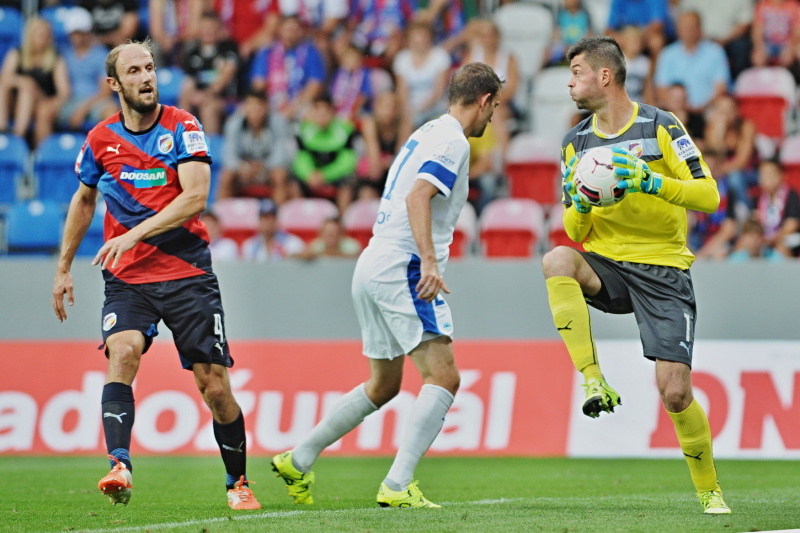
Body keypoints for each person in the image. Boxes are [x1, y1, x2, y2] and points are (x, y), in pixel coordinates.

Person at [270, 61, 503, 508]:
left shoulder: (427, 130)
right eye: (493, 108)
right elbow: (419, 195)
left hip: (373, 261)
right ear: (485, 100)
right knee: (445, 376)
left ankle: (297, 459)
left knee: (384, 385)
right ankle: (397, 485)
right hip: (404, 264)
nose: (492, 118)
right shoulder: (453, 140)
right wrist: (430, 262)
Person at [51, 40, 261, 511]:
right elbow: (84, 201)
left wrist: (132, 234)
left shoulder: (184, 126)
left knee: (215, 386)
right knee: (122, 351)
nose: (147, 77)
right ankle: (119, 465)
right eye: (134, 70)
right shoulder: (100, 140)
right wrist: (63, 268)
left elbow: (195, 197)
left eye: (150, 67)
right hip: (128, 278)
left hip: (187, 274)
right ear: (114, 84)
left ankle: (237, 483)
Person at [543, 36, 731, 514]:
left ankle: (710, 491)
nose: (569, 81)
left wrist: (651, 182)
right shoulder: (575, 143)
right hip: (608, 264)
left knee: (675, 392)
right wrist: (580, 203)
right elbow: (574, 231)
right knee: (557, 259)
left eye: (578, 71)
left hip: (664, 268)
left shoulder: (661, 124)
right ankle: (592, 380)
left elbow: (709, 196)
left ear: (605, 76)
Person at [0, 16, 69, 145]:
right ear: (30, 36)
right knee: (7, 85)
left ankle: (17, 135)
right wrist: (22, 81)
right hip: (14, 103)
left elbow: (64, 92)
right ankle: (2, 127)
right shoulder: (17, 53)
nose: (44, 39)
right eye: (40, 35)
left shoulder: (56, 58)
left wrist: (49, 104)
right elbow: (5, 77)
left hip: (41, 102)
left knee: (28, 90)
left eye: (47, 35)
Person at [217, 89, 294, 202]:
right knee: (226, 176)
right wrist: (243, 167)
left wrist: (262, 168)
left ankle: (276, 215)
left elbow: (282, 155)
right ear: (244, 108)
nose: (255, 111)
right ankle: (221, 215)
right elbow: (229, 156)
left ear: (266, 107)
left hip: (268, 170)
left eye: (259, 107)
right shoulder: (234, 124)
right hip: (244, 171)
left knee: (280, 175)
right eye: (250, 106)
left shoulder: (279, 122)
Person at [291, 94, 358, 213]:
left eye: (325, 112)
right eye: (318, 112)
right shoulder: (303, 130)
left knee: (348, 181)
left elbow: (347, 162)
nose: (321, 116)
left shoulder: (345, 129)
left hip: (335, 175)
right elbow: (301, 159)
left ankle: (343, 222)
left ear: (333, 113)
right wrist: (309, 175)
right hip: (312, 176)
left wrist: (324, 175)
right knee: (293, 183)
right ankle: (299, 217)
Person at [654, 11, 730, 114]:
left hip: (708, 109)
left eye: (691, 27)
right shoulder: (667, 54)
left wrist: (703, 107)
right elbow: (661, 90)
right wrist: (679, 107)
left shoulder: (715, 52)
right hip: (677, 110)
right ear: (678, 30)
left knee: (725, 106)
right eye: (684, 27)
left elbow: (720, 88)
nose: (687, 31)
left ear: (699, 28)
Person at [57, 7, 118, 132]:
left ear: (88, 32)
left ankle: (113, 150)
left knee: (112, 112)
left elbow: (105, 91)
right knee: (44, 111)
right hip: (70, 101)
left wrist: (83, 109)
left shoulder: (101, 54)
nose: (77, 37)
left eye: (81, 32)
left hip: (95, 101)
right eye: (75, 33)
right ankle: (41, 150)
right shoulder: (64, 54)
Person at [179, 10, 239, 135]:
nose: (208, 31)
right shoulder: (193, 53)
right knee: (186, 90)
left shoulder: (229, 48)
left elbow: (226, 76)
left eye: (212, 27)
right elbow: (189, 82)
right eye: (205, 27)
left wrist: (206, 94)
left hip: (225, 99)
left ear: (219, 29)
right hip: (199, 97)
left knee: (208, 107)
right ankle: (182, 139)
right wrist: (194, 95)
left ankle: (210, 149)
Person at [240, 199, 306, 261]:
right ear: (259, 221)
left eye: (273, 217)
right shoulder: (250, 245)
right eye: (265, 217)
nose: (270, 221)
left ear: (278, 219)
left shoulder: (292, 243)